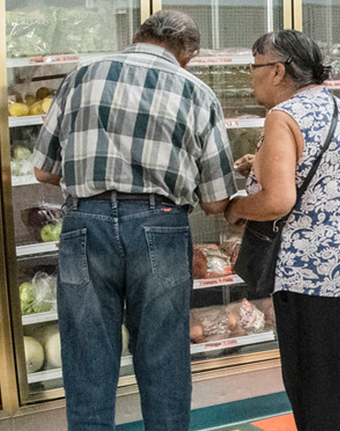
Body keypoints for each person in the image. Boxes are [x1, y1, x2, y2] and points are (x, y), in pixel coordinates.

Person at [32, 10, 237, 431]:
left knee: (88, 359)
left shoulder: (82, 76)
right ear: (187, 54)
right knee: (164, 358)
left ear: (137, 36)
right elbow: (217, 200)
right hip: (160, 224)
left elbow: (43, 170)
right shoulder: (196, 92)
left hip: (85, 222)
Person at [225, 30, 340, 431]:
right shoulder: (337, 108)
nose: (251, 75)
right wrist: (262, 163)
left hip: (316, 280)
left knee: (318, 401)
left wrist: (235, 208)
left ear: (278, 70)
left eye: (255, 65)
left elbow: (278, 200)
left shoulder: (282, 116)